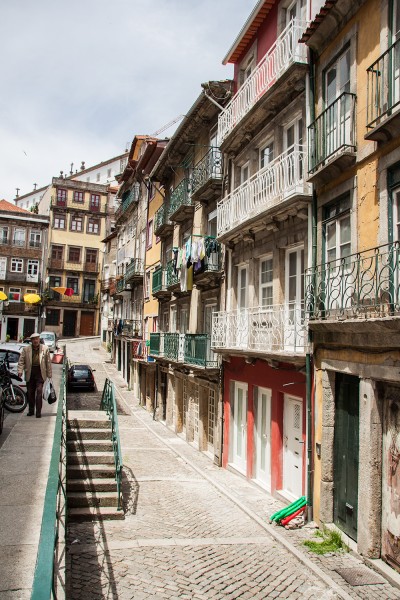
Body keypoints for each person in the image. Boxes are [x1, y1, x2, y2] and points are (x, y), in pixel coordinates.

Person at [18, 332, 52, 418]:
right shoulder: (26, 349)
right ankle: (31, 410)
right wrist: (20, 370)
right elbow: (21, 361)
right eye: (34, 339)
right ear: (31, 341)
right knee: (30, 392)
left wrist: (49, 374)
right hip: (30, 372)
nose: (36, 341)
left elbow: (48, 362)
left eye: (37, 339)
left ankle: (38, 412)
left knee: (39, 391)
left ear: (39, 339)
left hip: (40, 373)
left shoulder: (45, 348)